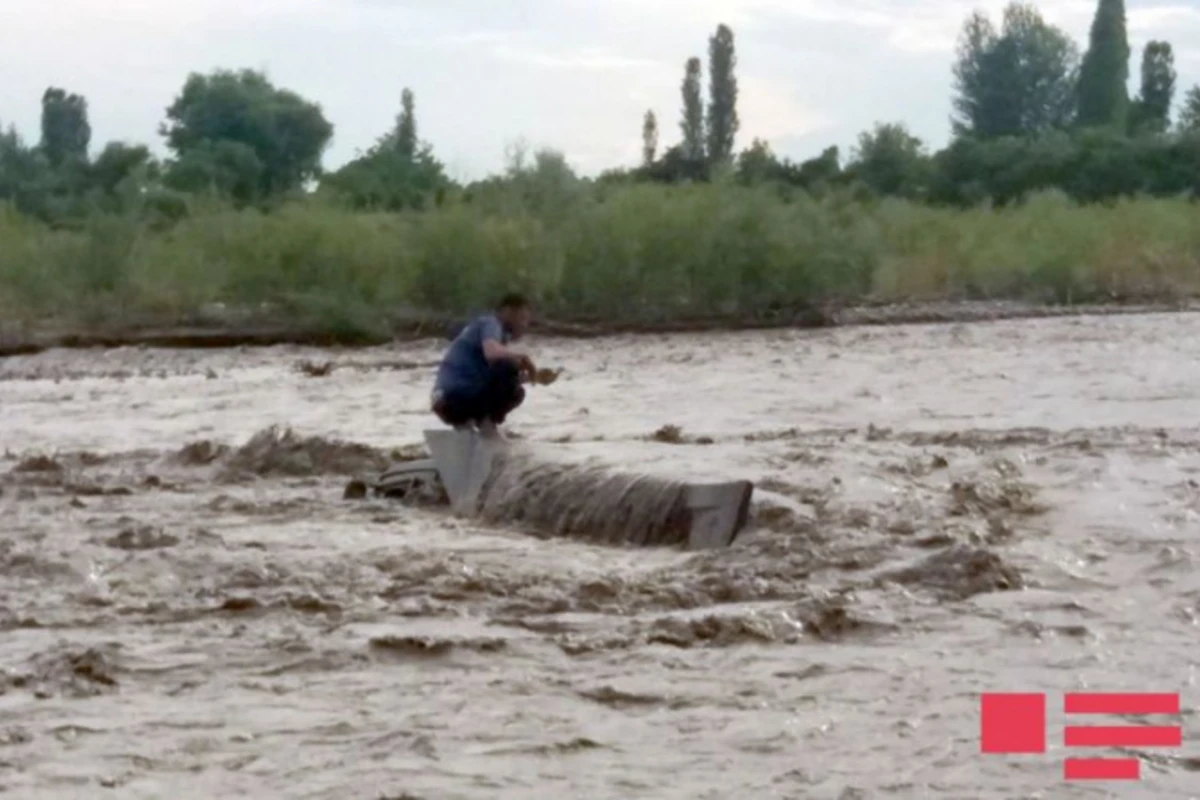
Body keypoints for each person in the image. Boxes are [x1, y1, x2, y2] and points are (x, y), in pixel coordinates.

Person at [430, 293, 536, 438]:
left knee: (512, 375)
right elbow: (491, 353)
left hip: (443, 401)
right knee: (510, 372)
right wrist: (522, 358)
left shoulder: (490, 332)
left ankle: (466, 431)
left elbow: (492, 377)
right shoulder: (491, 323)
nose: (525, 325)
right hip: (455, 398)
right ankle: (487, 428)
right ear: (508, 312)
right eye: (522, 319)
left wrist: (536, 377)